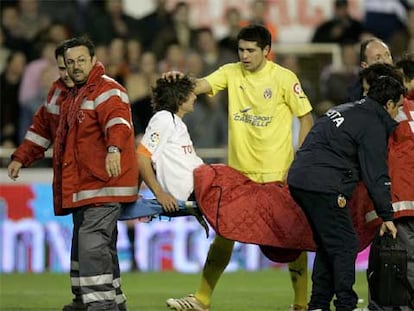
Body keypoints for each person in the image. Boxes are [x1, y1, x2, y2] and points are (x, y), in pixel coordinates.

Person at [164, 24, 314, 311]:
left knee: (292, 240)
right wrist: (179, 81)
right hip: (241, 177)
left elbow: (306, 118)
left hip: (277, 176)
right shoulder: (231, 72)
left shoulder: (284, 78)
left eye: (250, 50)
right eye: (241, 50)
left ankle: (300, 304)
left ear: (266, 51)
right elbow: (201, 85)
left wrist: (300, 160)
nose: (244, 56)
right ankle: (202, 300)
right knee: (225, 234)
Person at [8, 36, 139, 311]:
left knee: (91, 245)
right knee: (89, 246)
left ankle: (100, 306)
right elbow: (43, 129)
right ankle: (97, 301)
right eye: (66, 65)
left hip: (105, 183)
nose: (71, 70)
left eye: (79, 62)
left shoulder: (107, 90)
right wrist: (21, 158)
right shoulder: (61, 94)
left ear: (93, 60)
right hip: (82, 185)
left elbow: (118, 123)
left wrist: (114, 149)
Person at [287, 76, 404, 311]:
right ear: (389, 104)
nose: (399, 113)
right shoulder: (373, 124)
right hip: (323, 184)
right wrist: (387, 216)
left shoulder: (345, 109)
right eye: (399, 107)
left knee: (328, 243)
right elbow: (376, 175)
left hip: (300, 178)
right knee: (345, 244)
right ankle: (346, 304)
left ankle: (319, 304)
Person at [366, 55, 414, 311]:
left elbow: (376, 154)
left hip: (397, 200)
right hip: (405, 199)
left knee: (396, 262)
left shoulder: (389, 114)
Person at [137, 75, 202, 212]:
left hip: (203, 185)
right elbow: (142, 157)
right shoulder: (163, 119)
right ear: (179, 97)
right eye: (190, 93)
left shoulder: (176, 122)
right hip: (196, 190)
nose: (195, 97)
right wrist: (159, 193)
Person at [348, 37, 393, 101]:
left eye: (387, 55)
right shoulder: (355, 93)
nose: (385, 61)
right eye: (378, 58)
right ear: (365, 65)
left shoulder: (404, 83)